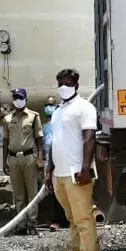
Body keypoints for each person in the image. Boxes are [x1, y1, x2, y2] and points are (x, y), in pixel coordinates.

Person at [45, 68, 100, 251]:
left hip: (76, 173)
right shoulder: (58, 111)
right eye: (59, 83)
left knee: (84, 218)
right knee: (72, 219)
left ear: (76, 84)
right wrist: (49, 171)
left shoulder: (84, 108)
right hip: (59, 174)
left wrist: (86, 168)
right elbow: (53, 142)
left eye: (67, 83)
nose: (62, 87)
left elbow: (89, 139)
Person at [1, 88, 43, 235]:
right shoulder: (7, 119)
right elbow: (5, 141)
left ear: (25, 99)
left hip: (29, 157)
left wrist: (40, 159)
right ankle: (21, 223)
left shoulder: (33, 116)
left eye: (21, 98)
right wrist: (4, 160)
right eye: (16, 98)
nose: (18, 100)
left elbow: (39, 139)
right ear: (13, 100)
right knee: (18, 193)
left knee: (32, 191)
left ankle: (32, 223)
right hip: (13, 158)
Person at [41, 97, 69, 231]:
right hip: (49, 162)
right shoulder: (44, 127)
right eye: (47, 105)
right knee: (53, 192)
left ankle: (67, 218)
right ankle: (56, 219)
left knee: (67, 190)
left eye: (52, 105)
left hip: (63, 161)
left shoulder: (62, 124)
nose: (49, 108)